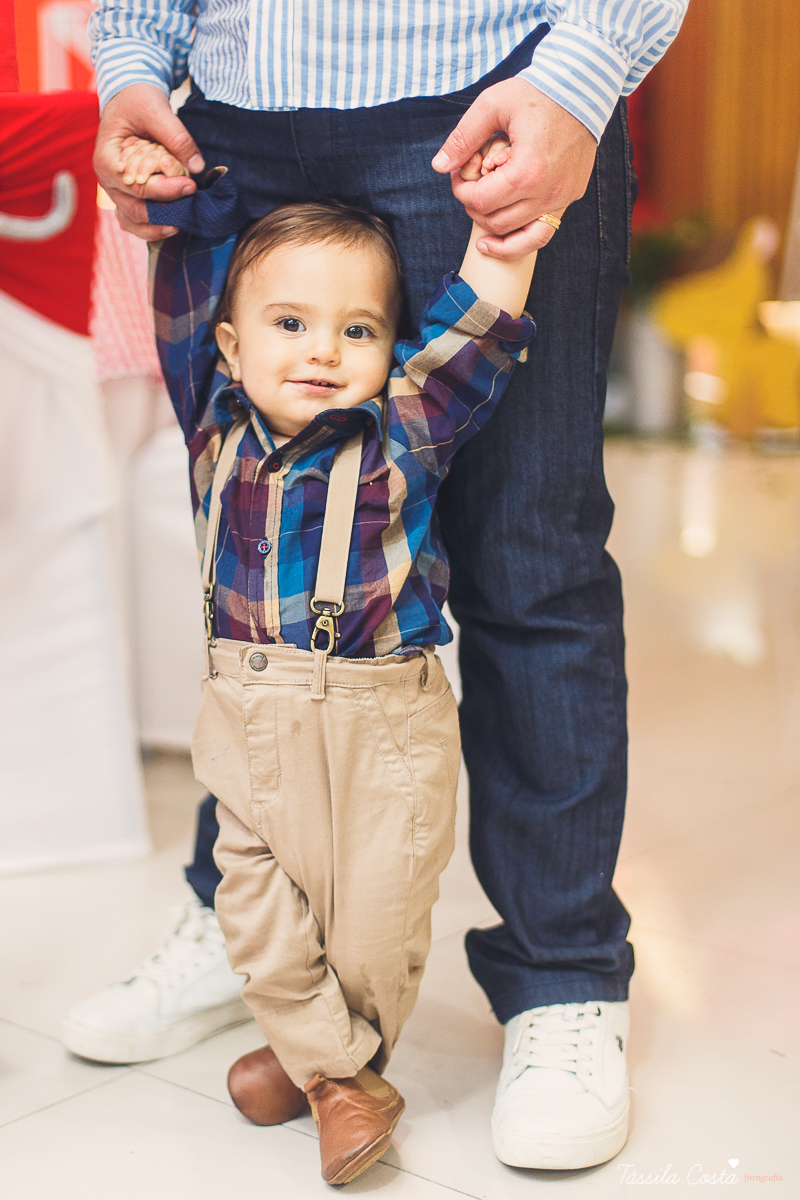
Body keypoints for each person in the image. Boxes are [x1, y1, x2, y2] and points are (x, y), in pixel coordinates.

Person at [64, 0, 687, 1173]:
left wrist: (585, 70)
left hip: (487, 92)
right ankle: (243, 921)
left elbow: (466, 366)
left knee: (530, 560)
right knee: (243, 549)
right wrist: (132, 64)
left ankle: (558, 976)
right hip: (236, 115)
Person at [130, 131, 535, 1186]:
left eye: (357, 330)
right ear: (229, 349)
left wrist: (502, 231)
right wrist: (178, 204)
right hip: (246, 719)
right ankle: (338, 1076)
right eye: (289, 324)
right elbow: (178, 293)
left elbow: (476, 335)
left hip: (381, 720)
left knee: (374, 925)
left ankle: (317, 1063)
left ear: (387, 349)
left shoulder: (401, 428)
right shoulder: (212, 428)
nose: (320, 351)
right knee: (253, 908)